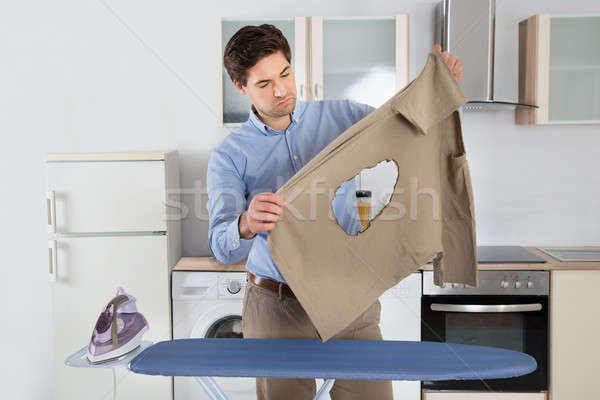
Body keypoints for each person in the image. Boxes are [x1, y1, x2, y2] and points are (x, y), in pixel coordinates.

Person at [206, 24, 463, 400]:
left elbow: (405, 126)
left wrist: (437, 88)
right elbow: (220, 246)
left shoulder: (344, 117)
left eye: (285, 74)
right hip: (277, 306)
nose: (281, 91)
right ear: (240, 87)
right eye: (264, 84)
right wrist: (244, 224)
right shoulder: (229, 156)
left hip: (350, 297)